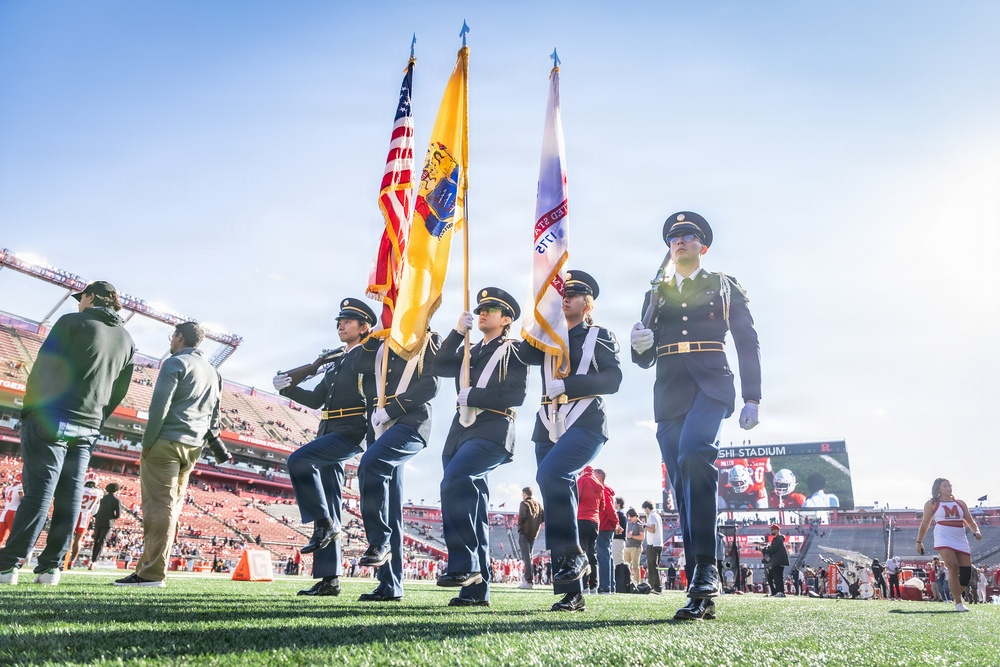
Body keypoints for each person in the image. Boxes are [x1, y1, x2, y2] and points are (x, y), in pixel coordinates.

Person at [630, 212, 761, 621]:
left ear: (702, 245)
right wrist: (639, 345)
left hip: (710, 386)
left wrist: (753, 397)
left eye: (686, 235)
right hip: (669, 391)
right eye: (672, 237)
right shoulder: (656, 292)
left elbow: (746, 340)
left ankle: (706, 568)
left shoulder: (724, 285)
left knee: (693, 453)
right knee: (684, 490)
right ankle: (700, 587)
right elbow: (645, 358)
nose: (678, 241)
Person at [0, 281, 135, 586]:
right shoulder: (126, 339)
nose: (78, 302)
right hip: (88, 425)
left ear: (90, 297)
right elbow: (119, 391)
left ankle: (8, 566)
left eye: (81, 297)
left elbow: (45, 367)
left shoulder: (73, 321)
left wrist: (30, 410)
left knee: (38, 492)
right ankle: (51, 568)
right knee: (69, 497)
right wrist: (97, 417)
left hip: (51, 416)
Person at [516, 270, 622, 612]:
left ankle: (575, 555)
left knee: (551, 475)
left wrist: (572, 386)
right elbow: (523, 353)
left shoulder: (599, 335)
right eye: (563, 293)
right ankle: (571, 592)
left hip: (586, 420)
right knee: (553, 490)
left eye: (574, 294)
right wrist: (540, 313)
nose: (567, 297)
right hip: (547, 421)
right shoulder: (548, 338)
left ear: (587, 303)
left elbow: (614, 379)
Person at [272, 298, 377, 598]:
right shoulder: (335, 362)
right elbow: (317, 399)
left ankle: (324, 524)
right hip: (328, 429)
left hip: (351, 431)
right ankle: (329, 579)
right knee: (331, 502)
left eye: (348, 321)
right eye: (339, 321)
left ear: (364, 327)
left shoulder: (367, 357)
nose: (341, 325)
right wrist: (288, 387)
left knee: (299, 461)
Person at [433, 288, 528, 607]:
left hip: (493, 429)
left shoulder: (514, 351)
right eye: (481, 308)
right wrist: (456, 332)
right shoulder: (470, 350)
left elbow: (516, 395)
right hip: (459, 433)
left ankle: (463, 564)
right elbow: (440, 364)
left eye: (491, 309)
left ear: (506, 319)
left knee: (454, 482)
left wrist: (474, 397)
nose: (483, 312)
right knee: (474, 510)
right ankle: (477, 591)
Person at [114, 321, 221, 588]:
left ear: (179, 337)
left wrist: (147, 443)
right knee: (171, 507)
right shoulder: (214, 372)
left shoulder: (174, 363)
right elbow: (214, 417)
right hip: (192, 447)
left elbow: (158, 407)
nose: (170, 341)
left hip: (166, 442)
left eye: (172, 336)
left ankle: (151, 574)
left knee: (158, 508)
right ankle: (150, 568)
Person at [354, 324, 441, 602]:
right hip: (381, 427)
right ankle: (390, 586)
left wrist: (391, 410)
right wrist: (377, 332)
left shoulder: (427, 338)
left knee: (371, 464)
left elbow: (431, 384)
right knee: (390, 504)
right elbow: (361, 365)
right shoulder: (381, 343)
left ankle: (379, 540)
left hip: (410, 422)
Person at [916, 478, 982, 613]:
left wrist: (976, 531)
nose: (949, 488)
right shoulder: (932, 504)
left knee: (966, 575)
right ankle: (959, 603)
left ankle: (955, 592)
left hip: (960, 536)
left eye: (950, 485)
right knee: (953, 567)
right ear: (938, 488)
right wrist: (919, 541)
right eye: (945, 486)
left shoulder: (960, 503)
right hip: (943, 536)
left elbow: (970, 521)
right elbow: (925, 524)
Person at [575, 465, 603, 595]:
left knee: (583, 552)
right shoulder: (599, 484)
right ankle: (594, 585)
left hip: (582, 518)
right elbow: (602, 507)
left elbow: (575, 499)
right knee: (593, 553)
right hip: (595, 521)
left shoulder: (582, 480)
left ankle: (584, 584)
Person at [65, 472, 102, 568]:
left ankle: (62, 560)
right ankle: (71, 562)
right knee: (78, 541)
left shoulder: (80, 489)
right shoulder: (98, 493)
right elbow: (95, 511)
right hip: (85, 516)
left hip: (74, 514)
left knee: (67, 537)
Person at [594, 469, 620, 595]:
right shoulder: (605, 490)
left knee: (603, 556)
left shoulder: (602, 490)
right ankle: (609, 586)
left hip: (604, 526)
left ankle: (605, 586)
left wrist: (615, 523)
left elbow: (610, 510)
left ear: (599, 476)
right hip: (606, 526)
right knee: (607, 556)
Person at [517, 487, 544, 589]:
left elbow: (521, 517)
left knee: (526, 557)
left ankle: (528, 581)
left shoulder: (524, 503)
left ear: (525, 494)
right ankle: (530, 580)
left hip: (524, 532)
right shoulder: (538, 505)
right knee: (530, 557)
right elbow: (543, 518)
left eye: (522, 494)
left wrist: (520, 527)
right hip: (533, 534)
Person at [642, 500, 663, 594]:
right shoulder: (657, 515)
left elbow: (652, 529)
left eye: (644, 509)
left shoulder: (652, 516)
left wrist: (645, 527)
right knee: (654, 566)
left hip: (653, 545)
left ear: (647, 508)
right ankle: (652, 585)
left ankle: (657, 586)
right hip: (658, 544)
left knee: (652, 567)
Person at [761, 524, 788, 597]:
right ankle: (778, 592)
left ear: (777, 530)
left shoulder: (778, 539)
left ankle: (780, 592)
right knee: (777, 577)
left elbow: (773, 549)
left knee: (778, 577)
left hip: (778, 561)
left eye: (772, 529)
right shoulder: (778, 539)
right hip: (777, 560)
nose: (771, 531)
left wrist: (765, 550)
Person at [0, 473, 24, 547]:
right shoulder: (20, 487)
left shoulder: (8, 487)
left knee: (1, 537)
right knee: (15, 536)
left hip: (5, 511)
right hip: (13, 511)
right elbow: (21, 498)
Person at [623, 508, 644, 582]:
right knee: (625, 566)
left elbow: (642, 537)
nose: (629, 518)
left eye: (631, 517)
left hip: (636, 547)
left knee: (635, 566)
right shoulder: (629, 523)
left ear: (635, 516)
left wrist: (631, 536)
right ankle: (626, 582)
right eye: (628, 517)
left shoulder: (639, 524)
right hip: (627, 546)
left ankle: (636, 583)